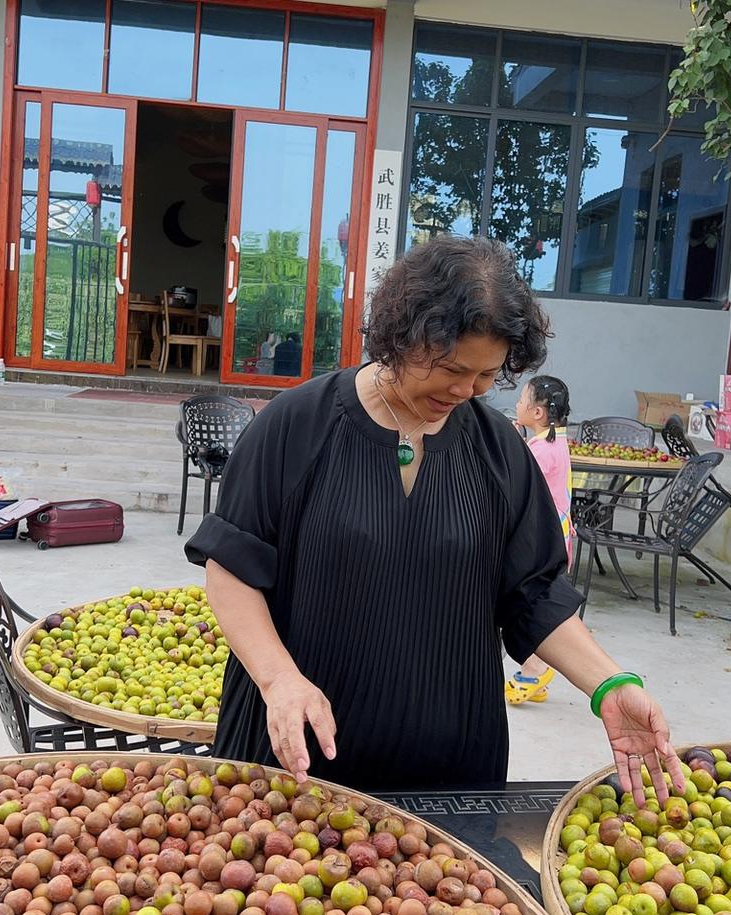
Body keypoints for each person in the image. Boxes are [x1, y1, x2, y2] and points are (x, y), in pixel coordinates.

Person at [186, 235, 683, 803]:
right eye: (449, 368)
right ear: (401, 335)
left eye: (486, 376)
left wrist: (609, 686)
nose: (464, 390)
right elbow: (233, 567)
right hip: (294, 763)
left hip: (450, 774)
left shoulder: (499, 452)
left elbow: (535, 593)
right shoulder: (296, 425)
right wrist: (278, 679)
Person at [505, 375, 571, 706]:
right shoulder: (555, 443)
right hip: (555, 538)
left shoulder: (540, 450)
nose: (516, 405)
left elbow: (518, 488)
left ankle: (534, 667)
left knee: (525, 608)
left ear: (538, 413)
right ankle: (538, 673)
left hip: (540, 544)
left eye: (521, 400)